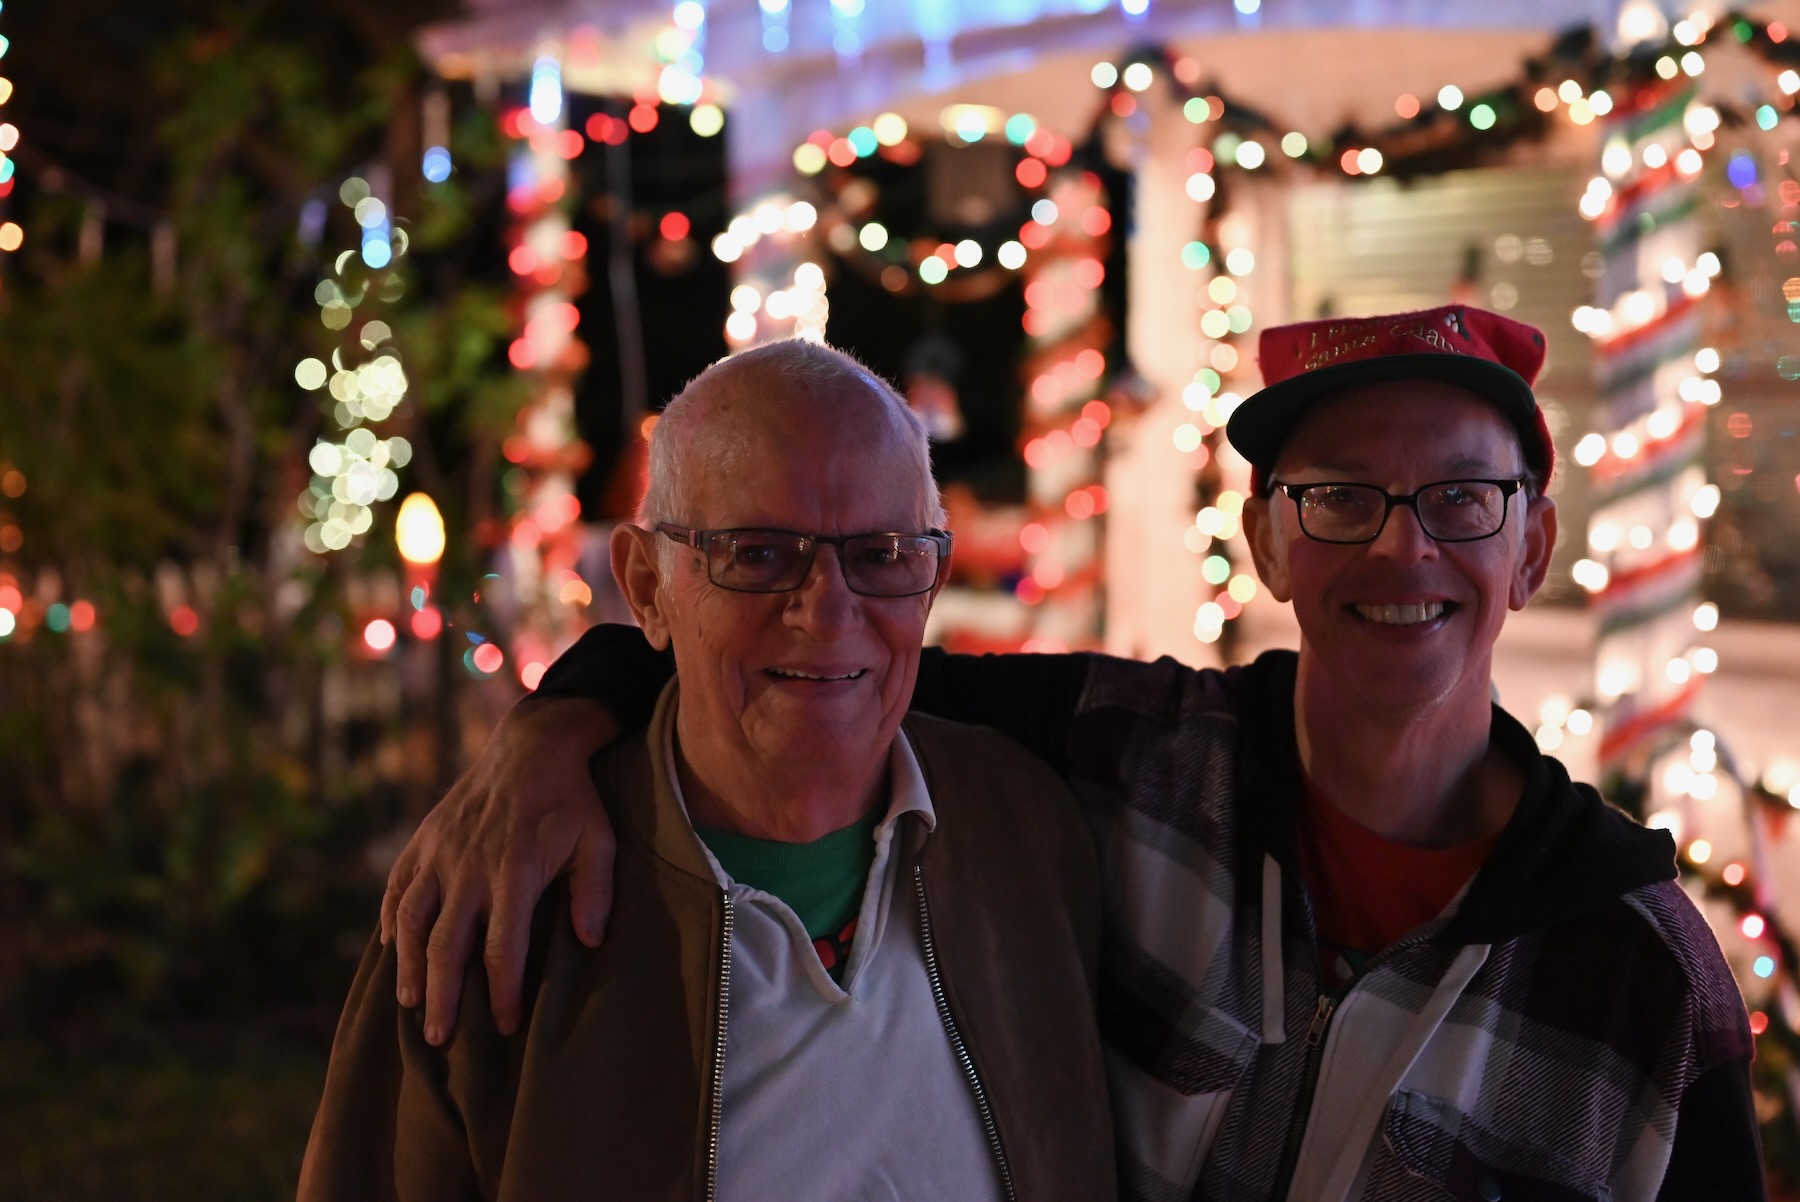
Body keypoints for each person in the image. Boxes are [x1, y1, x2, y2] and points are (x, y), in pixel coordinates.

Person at [384, 305, 1763, 1201]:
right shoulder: (1129, 768)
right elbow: (819, 656)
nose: (1403, 545)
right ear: (1270, 539)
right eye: (1340, 496)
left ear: (1534, 544)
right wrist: (562, 723)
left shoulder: (1636, 976)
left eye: (1463, 497)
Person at [299, 340, 1116, 1200]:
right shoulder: (496, 903)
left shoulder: (1029, 834)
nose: (829, 612)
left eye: (881, 555)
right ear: (646, 587)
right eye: (758, 554)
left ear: (933, 574)